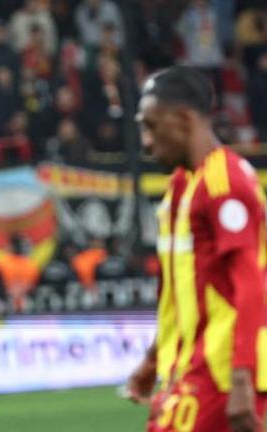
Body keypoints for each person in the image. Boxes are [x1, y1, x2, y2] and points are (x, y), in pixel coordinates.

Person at [125, 66, 267, 432]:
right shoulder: (181, 186)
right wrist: (155, 357)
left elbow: (251, 285)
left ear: (184, 120)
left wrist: (242, 378)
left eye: (151, 127)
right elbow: (176, 290)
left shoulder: (223, 184)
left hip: (222, 372)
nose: (146, 142)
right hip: (189, 368)